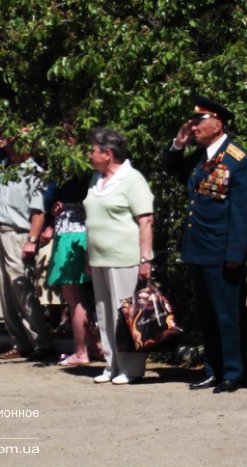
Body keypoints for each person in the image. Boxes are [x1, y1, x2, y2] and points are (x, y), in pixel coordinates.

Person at [163, 95, 247, 393]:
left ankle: (233, 372)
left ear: (218, 123)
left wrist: (235, 253)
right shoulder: (200, 158)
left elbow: (241, 212)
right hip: (198, 248)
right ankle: (213, 369)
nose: (194, 127)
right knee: (206, 314)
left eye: (199, 121)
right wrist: (178, 143)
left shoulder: (237, 158)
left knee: (227, 314)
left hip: (221, 250)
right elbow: (171, 168)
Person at [83, 128, 154, 385]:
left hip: (125, 257)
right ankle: (111, 364)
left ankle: (131, 367)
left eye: (92, 150)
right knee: (104, 313)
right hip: (99, 258)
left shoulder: (132, 179)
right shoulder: (96, 179)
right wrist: (89, 256)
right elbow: (92, 220)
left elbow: (145, 220)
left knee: (126, 314)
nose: (89, 155)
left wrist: (145, 259)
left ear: (108, 153)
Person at [0, 129, 55, 361]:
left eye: (10, 136)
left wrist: (32, 240)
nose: (3, 140)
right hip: (1, 233)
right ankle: (20, 341)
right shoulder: (7, 169)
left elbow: (38, 211)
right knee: (6, 290)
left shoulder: (34, 172)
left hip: (20, 234)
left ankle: (42, 342)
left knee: (21, 288)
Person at [41, 173, 101, 366]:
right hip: (81, 232)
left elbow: (48, 196)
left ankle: (81, 351)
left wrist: (50, 206)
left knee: (74, 297)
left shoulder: (67, 168)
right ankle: (94, 346)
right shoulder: (89, 172)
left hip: (70, 234)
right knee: (80, 297)